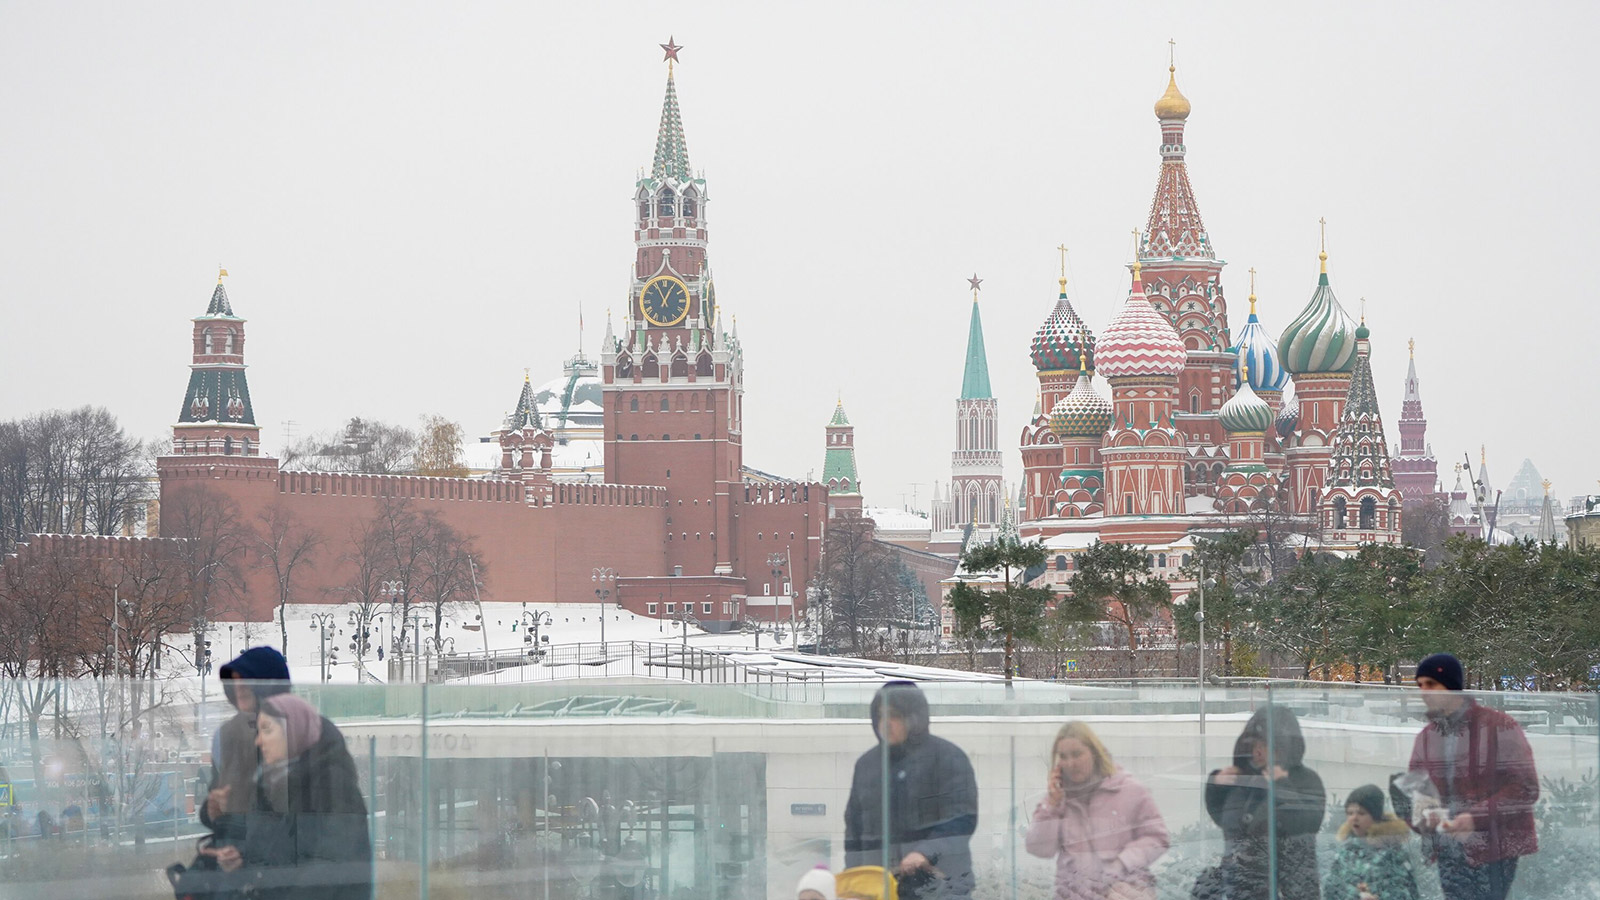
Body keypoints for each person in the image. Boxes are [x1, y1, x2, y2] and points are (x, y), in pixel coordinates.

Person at [201, 693, 372, 899]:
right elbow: (277, 855)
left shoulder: (331, 786)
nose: (258, 740)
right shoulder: (272, 783)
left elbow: (330, 870)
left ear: (294, 730)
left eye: (267, 729)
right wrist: (240, 860)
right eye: (258, 730)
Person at [1406, 654, 1537, 900]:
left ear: (1452, 685)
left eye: (1431, 684)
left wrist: (1474, 818)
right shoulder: (1426, 737)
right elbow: (1416, 792)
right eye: (1420, 684)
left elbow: (1525, 788)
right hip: (1448, 848)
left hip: (1494, 847)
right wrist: (1425, 816)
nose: (1423, 691)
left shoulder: (1500, 726)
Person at [844, 681, 978, 900]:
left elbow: (962, 819)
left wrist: (924, 852)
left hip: (941, 885)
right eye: (880, 716)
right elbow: (854, 833)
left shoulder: (947, 758)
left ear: (915, 718)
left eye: (894, 716)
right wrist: (855, 880)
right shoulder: (866, 765)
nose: (885, 723)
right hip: (880, 887)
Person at [1024, 721, 1169, 900]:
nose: (1070, 763)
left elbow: (1158, 837)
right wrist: (1052, 805)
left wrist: (1122, 863)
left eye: (1077, 754)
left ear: (1094, 753)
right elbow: (1038, 848)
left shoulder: (1129, 789)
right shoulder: (1059, 798)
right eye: (1063, 756)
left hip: (1124, 894)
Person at [1203, 705, 1325, 900]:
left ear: (1283, 748)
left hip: (1293, 886)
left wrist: (1282, 787)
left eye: (1266, 745)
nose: (1258, 751)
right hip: (1243, 885)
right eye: (1254, 745)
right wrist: (1217, 785)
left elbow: (1308, 825)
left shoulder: (1305, 780)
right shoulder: (1245, 778)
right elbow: (1225, 821)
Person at [200, 646, 292, 849]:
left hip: (287, 861)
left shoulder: (303, 731)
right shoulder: (227, 735)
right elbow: (217, 797)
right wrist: (212, 810)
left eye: (247, 681)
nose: (239, 687)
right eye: (235, 681)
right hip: (239, 856)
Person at [1323, 785, 1421, 900]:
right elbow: (1331, 889)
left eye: (1361, 813)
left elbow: (1407, 892)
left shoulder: (1392, 853)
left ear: (1375, 816)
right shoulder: (1346, 852)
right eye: (1350, 813)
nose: (1354, 818)